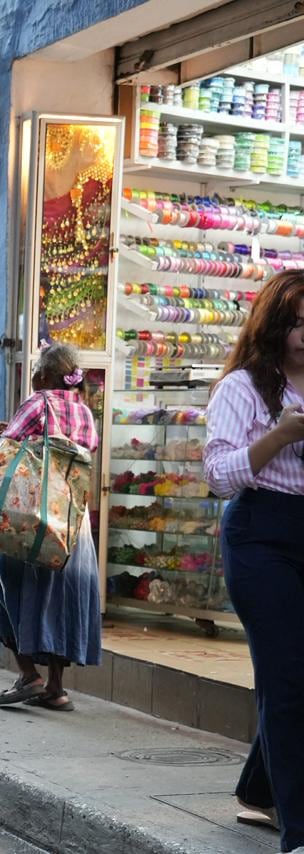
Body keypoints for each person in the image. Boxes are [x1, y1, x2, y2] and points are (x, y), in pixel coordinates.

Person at [204, 270, 304, 853]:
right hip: (259, 533)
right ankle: (298, 831)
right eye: (296, 321)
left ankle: (259, 788)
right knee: (287, 676)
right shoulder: (243, 387)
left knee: (296, 675)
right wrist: (281, 436)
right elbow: (218, 474)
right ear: (273, 322)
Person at [0, 342, 102, 712]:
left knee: (2, 582)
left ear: (41, 376)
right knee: (61, 598)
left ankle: (28, 675)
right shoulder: (84, 412)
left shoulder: (37, 402)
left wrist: (9, 434)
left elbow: (7, 448)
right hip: (72, 523)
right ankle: (55, 686)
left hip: (32, 518)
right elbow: (76, 450)